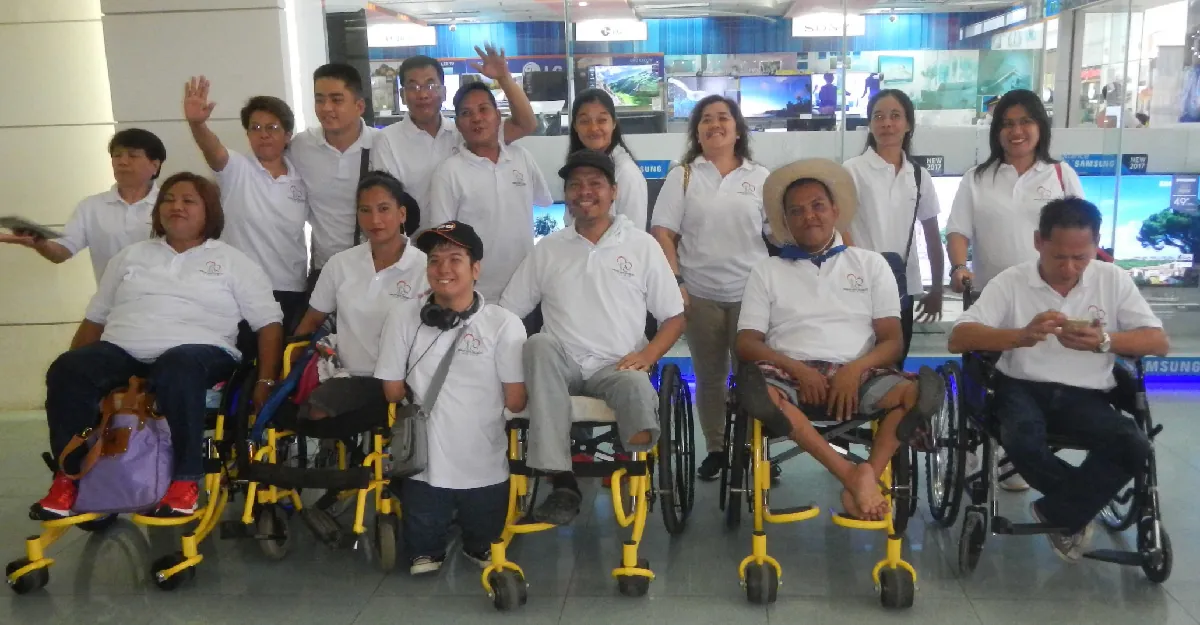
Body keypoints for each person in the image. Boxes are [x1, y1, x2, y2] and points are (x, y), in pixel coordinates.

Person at [34, 172, 283, 519]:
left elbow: (269, 325)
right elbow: (95, 319)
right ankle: (69, 477)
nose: (176, 207)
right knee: (67, 369)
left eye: (188, 200)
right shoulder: (130, 257)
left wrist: (266, 381)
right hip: (124, 349)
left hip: (202, 352)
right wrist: (75, 364)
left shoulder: (233, 262)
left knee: (177, 365)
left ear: (208, 211)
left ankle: (185, 480)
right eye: (168, 199)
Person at [948, 197, 1168, 561]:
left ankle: (1058, 512)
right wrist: (1019, 335)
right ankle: (1077, 508)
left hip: (1088, 393)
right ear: (1039, 242)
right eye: (1059, 257)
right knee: (1023, 439)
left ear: (1096, 246)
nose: (1069, 268)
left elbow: (1157, 341)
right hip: (1020, 385)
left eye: (1081, 257)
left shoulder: (1112, 280)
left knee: (1135, 445)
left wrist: (1106, 341)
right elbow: (959, 337)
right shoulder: (1013, 281)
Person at [734, 159, 944, 521]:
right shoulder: (766, 270)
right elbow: (748, 342)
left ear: (835, 210)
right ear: (785, 221)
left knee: (917, 393)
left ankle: (868, 471)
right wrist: (798, 370)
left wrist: (854, 370)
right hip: (788, 373)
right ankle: (851, 474)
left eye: (818, 205)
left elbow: (892, 341)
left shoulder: (871, 264)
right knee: (757, 391)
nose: (809, 216)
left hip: (860, 372)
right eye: (796, 211)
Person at [500, 150, 686, 526]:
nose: (584, 192)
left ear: (613, 191)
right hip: (561, 367)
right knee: (537, 344)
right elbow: (507, 313)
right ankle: (562, 480)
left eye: (595, 184)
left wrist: (649, 354)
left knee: (636, 388)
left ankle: (627, 469)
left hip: (616, 365)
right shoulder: (549, 249)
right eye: (575, 185)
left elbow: (674, 316)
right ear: (566, 194)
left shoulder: (641, 245)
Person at [946, 89, 1085, 490]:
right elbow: (958, 229)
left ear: (1040, 126)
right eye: (1007, 123)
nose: (1016, 130)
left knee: (1037, 376)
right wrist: (959, 267)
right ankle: (974, 441)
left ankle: (1023, 448)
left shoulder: (1061, 175)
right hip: (993, 295)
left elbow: (1081, 233)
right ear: (997, 131)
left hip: (1052, 296)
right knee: (986, 371)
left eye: (1025, 121)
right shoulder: (978, 177)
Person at [376, 220, 527, 576]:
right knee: (426, 562)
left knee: (483, 552)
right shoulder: (403, 317)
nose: (443, 269)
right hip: (423, 471)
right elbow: (391, 390)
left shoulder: (504, 324)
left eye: (455, 259)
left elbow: (516, 400)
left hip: (486, 470)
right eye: (434, 260)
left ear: (476, 268)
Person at [651, 94, 769, 481]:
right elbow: (663, 233)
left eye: (723, 117)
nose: (714, 124)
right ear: (696, 131)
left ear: (737, 129)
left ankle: (754, 450)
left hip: (751, 296)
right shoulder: (682, 175)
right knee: (710, 377)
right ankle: (717, 449)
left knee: (755, 377)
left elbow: (776, 235)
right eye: (706, 119)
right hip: (699, 294)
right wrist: (678, 283)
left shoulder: (760, 178)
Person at [291, 172, 428, 423]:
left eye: (384, 209)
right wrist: (287, 370)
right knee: (312, 412)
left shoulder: (426, 267)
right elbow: (311, 321)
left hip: (405, 380)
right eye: (365, 210)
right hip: (349, 377)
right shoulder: (340, 264)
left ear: (402, 214)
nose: (374, 220)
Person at [183, 77, 308, 332]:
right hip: (239, 286)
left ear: (287, 135)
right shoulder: (237, 168)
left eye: (271, 127)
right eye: (255, 127)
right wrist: (197, 125)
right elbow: (214, 151)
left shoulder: (302, 176)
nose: (263, 134)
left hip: (291, 286)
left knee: (284, 362)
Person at [372, 47, 538, 224]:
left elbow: (526, 124)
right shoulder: (387, 141)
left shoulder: (465, 131)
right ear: (403, 96)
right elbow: (385, 203)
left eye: (430, 85)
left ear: (443, 92)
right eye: (413, 87)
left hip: (463, 245)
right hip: (414, 246)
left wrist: (504, 78)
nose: (423, 94)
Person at [426, 81, 552, 305]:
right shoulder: (449, 172)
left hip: (528, 291)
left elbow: (543, 204)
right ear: (458, 124)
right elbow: (443, 241)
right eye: (466, 113)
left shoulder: (521, 157)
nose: (476, 118)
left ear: (498, 116)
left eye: (483, 109)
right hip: (476, 297)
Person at [844, 89, 945, 365]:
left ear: (909, 124)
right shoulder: (851, 171)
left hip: (902, 287)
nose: (886, 123)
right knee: (857, 363)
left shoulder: (918, 174)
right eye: (878, 116)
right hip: (858, 289)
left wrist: (936, 288)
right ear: (870, 124)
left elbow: (932, 234)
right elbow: (840, 229)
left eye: (895, 116)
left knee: (895, 365)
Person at [1, 129, 165, 283]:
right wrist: (40, 243)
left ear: (155, 165)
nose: (122, 162)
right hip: (111, 307)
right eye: (116, 155)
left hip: (167, 304)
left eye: (132, 156)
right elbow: (61, 253)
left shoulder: (170, 205)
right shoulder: (91, 206)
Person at [289, 63, 377, 291]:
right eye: (319, 100)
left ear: (359, 106)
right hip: (324, 271)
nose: (326, 108)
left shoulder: (382, 145)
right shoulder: (301, 146)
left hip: (375, 269)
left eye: (336, 100)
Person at [564, 88, 648, 230]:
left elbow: (634, 238)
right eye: (584, 121)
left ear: (614, 123)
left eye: (602, 120)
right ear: (575, 126)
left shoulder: (626, 174)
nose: (593, 128)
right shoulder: (575, 168)